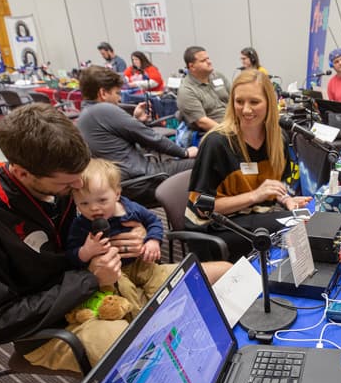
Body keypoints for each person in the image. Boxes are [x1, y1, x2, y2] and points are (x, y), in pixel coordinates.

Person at [0, 104, 139, 372]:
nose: (79, 187)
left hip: (100, 289)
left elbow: (95, 216)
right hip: (47, 328)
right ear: (22, 173)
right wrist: (88, 279)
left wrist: (131, 232)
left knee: (198, 282)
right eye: (66, 183)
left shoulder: (62, 182)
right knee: (139, 353)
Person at [185, 69, 311, 262]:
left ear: (270, 103)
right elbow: (202, 209)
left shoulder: (278, 139)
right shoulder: (217, 143)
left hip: (254, 216)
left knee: (306, 219)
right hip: (216, 226)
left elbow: (276, 185)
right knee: (297, 227)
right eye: (239, 102)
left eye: (254, 102)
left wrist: (286, 200)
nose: (245, 109)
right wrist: (254, 196)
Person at [66, 159, 229, 304]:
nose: (94, 208)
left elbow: (154, 221)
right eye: (84, 204)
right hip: (115, 271)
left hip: (141, 262)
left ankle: (164, 305)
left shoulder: (130, 209)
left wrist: (152, 240)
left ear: (117, 194)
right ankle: (138, 317)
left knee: (159, 282)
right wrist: (85, 252)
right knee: (124, 293)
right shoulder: (81, 224)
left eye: (102, 200)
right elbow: (72, 254)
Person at [77, 66, 196, 205]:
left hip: (124, 181)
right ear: (103, 93)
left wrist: (136, 120)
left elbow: (126, 137)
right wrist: (185, 152)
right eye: (117, 93)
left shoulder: (85, 115)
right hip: (141, 181)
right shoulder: (103, 109)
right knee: (202, 165)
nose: (119, 98)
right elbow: (151, 138)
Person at [177, 45, 230, 132]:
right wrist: (229, 132)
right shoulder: (186, 90)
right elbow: (202, 122)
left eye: (208, 58)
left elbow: (235, 98)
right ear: (192, 66)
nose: (209, 62)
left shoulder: (218, 76)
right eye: (203, 61)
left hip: (234, 122)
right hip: (214, 132)